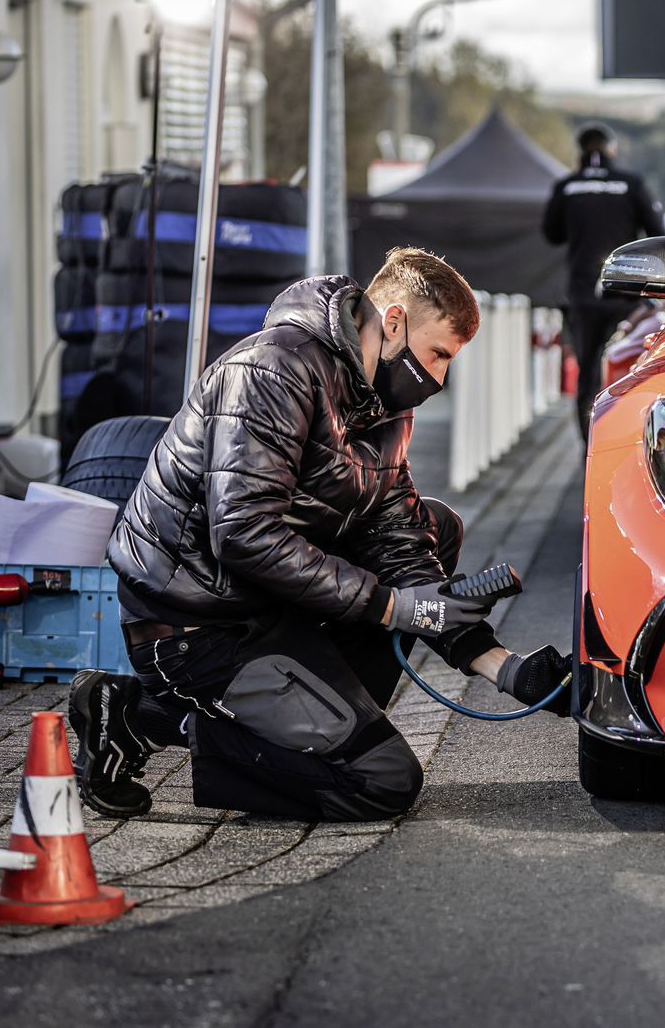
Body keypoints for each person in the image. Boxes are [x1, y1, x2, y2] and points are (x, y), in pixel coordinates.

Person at [69, 248, 573, 822]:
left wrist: (504, 667)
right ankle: (140, 716)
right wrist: (390, 608)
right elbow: (242, 531)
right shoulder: (271, 370)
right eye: (437, 355)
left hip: (274, 602)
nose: (439, 378)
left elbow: (399, 538)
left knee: (435, 526)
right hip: (197, 621)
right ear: (393, 322)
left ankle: (305, 722)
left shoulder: (383, 401)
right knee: (380, 782)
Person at [544, 121, 665, 436]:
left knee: (587, 373)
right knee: (628, 368)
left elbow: (552, 233)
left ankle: (589, 446)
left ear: (581, 151)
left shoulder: (566, 186)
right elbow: (659, 235)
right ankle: (623, 436)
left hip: (583, 297)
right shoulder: (631, 184)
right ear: (611, 149)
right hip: (625, 295)